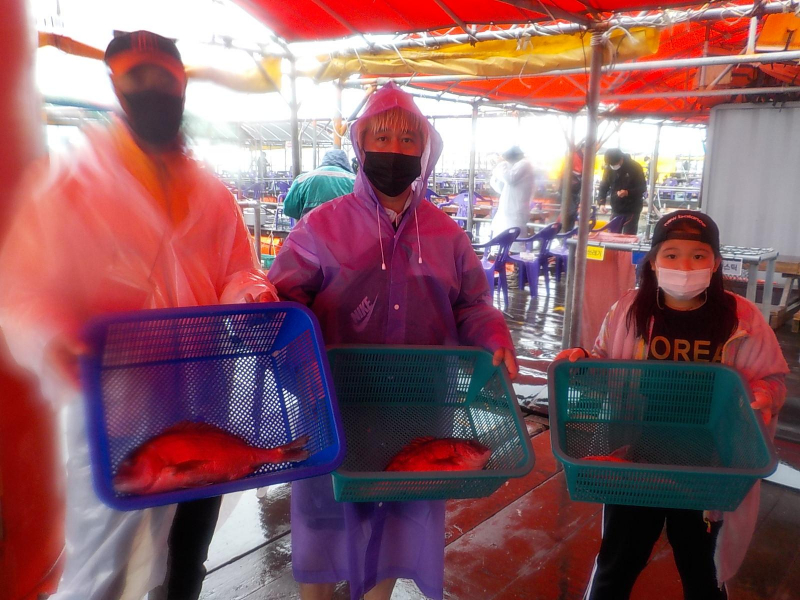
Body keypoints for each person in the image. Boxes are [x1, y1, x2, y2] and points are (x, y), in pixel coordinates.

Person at [0, 30, 277, 600]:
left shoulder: (212, 193)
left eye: (163, 78)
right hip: (115, 409)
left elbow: (239, 270)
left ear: (182, 85)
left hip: (205, 402)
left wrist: (250, 297)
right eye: (136, 77)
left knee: (186, 557)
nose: (152, 89)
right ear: (116, 87)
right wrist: (51, 338)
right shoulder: (70, 186)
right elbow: (20, 290)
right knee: (106, 567)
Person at [268, 81, 518, 600]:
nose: (395, 149)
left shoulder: (447, 235)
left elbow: (472, 304)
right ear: (361, 145)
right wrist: (297, 363)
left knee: (404, 504)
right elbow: (286, 300)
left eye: (409, 138)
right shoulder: (319, 228)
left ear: (425, 149)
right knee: (324, 508)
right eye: (381, 137)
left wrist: (492, 334)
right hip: (337, 399)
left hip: (420, 402)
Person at [557, 210, 788, 600]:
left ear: (715, 262)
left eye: (698, 256)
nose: (685, 267)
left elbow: (774, 379)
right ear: (653, 261)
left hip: (708, 466)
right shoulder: (628, 310)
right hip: (635, 457)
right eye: (671, 254)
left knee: (702, 572)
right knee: (617, 564)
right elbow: (603, 363)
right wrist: (581, 363)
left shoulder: (742, 318)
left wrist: (764, 395)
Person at [283, 149, 356, 219]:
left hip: (310, 226)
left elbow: (290, 209)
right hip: (343, 226)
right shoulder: (355, 180)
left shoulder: (302, 179)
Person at [490, 145, 534, 249]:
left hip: (515, 212)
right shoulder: (514, 168)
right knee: (503, 245)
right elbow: (499, 187)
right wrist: (497, 169)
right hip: (508, 212)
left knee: (515, 245)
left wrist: (501, 164)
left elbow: (509, 178)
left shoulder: (525, 164)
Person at [597, 148, 647, 235]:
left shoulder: (635, 167)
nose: (613, 166)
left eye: (615, 164)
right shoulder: (609, 168)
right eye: (611, 165)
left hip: (632, 208)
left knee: (628, 235)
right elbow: (604, 185)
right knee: (613, 234)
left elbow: (642, 188)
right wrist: (601, 203)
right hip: (616, 206)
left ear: (621, 159)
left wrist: (628, 192)